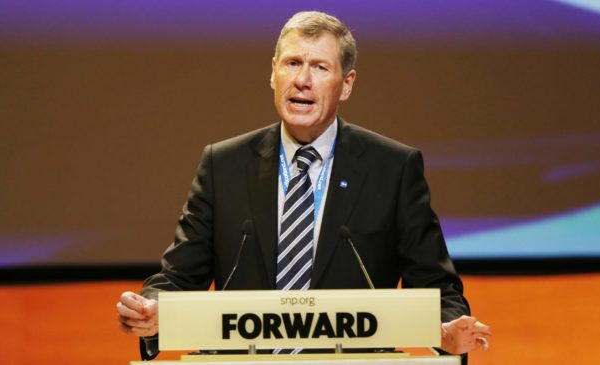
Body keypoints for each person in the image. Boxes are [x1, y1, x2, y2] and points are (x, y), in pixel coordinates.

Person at [116, 10, 491, 362]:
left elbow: (436, 286)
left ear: (346, 85)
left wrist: (443, 330)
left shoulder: (392, 168)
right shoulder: (224, 165)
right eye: (293, 63)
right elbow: (180, 275)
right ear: (273, 73)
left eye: (319, 67)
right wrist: (155, 309)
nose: (302, 80)